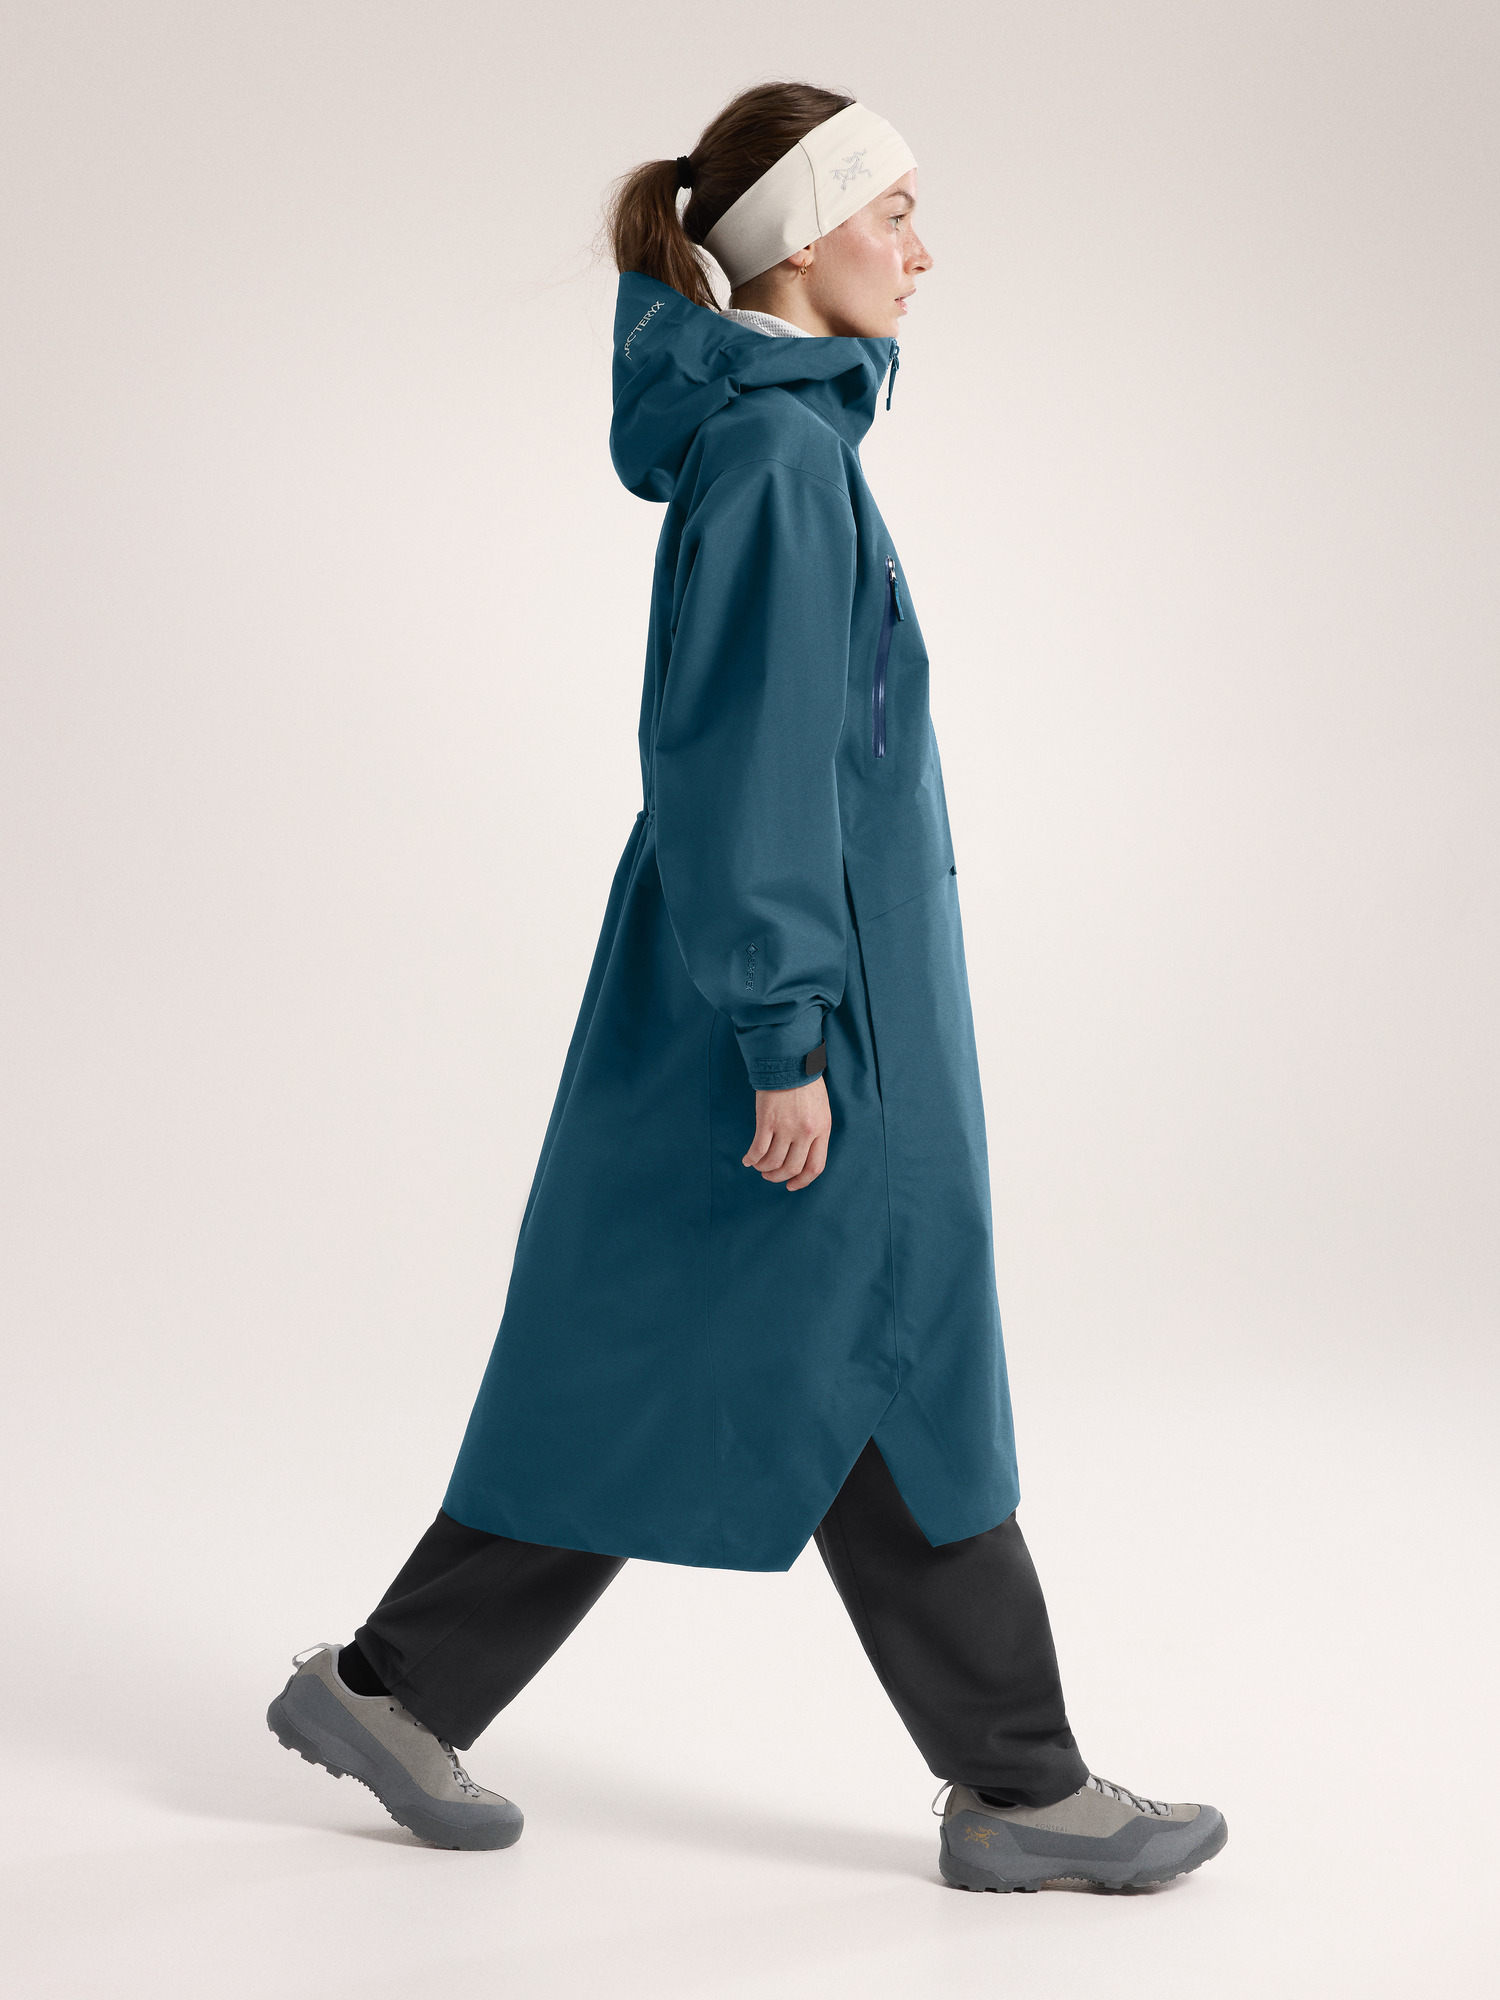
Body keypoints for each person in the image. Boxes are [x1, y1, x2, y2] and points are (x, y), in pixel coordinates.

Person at [267, 81, 1227, 1894]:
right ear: (798, 238)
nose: (925, 253)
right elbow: (746, 768)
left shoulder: (783, 447)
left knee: (730, 1346)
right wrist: (785, 1036)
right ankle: (1020, 1786)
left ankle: (400, 1689)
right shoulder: (783, 463)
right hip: (806, 1006)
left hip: (805, 984)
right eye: (897, 213)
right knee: (886, 1344)